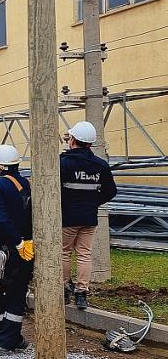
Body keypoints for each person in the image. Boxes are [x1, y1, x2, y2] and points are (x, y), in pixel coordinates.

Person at [0, 144, 34, 356]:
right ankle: (13, 337)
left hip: (2, 249)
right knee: (17, 292)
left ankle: (4, 339)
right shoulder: (25, 184)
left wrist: (17, 241)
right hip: (23, 249)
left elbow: (0, 217)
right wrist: (24, 242)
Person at [61, 121, 117, 309]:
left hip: (67, 217)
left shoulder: (64, 163)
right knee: (84, 254)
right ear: (90, 143)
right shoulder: (100, 165)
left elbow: (54, 189)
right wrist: (93, 202)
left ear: (73, 140)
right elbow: (111, 191)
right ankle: (81, 293)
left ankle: (64, 289)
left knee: (64, 253)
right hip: (89, 217)